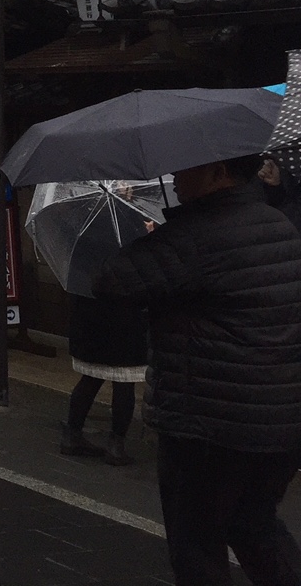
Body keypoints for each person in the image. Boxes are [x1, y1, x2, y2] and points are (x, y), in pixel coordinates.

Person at [96, 154, 301, 585]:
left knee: (197, 546)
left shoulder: (194, 235)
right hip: (279, 418)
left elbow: (113, 280)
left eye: (186, 167)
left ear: (218, 171)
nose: (174, 175)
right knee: (255, 526)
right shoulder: (280, 225)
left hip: (207, 422)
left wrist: (144, 234)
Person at [61, 294, 146, 466]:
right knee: (124, 380)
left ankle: (72, 435)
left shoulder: (85, 267)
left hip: (91, 316)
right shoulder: (133, 266)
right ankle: (116, 445)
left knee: (91, 377)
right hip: (126, 319)